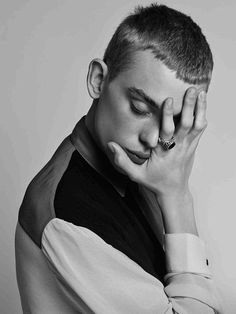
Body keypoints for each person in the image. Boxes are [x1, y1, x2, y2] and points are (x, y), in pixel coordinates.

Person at [15, 3, 222, 313]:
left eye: (175, 121)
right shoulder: (66, 219)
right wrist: (178, 197)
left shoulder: (143, 173)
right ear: (98, 80)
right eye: (140, 108)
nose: (154, 138)